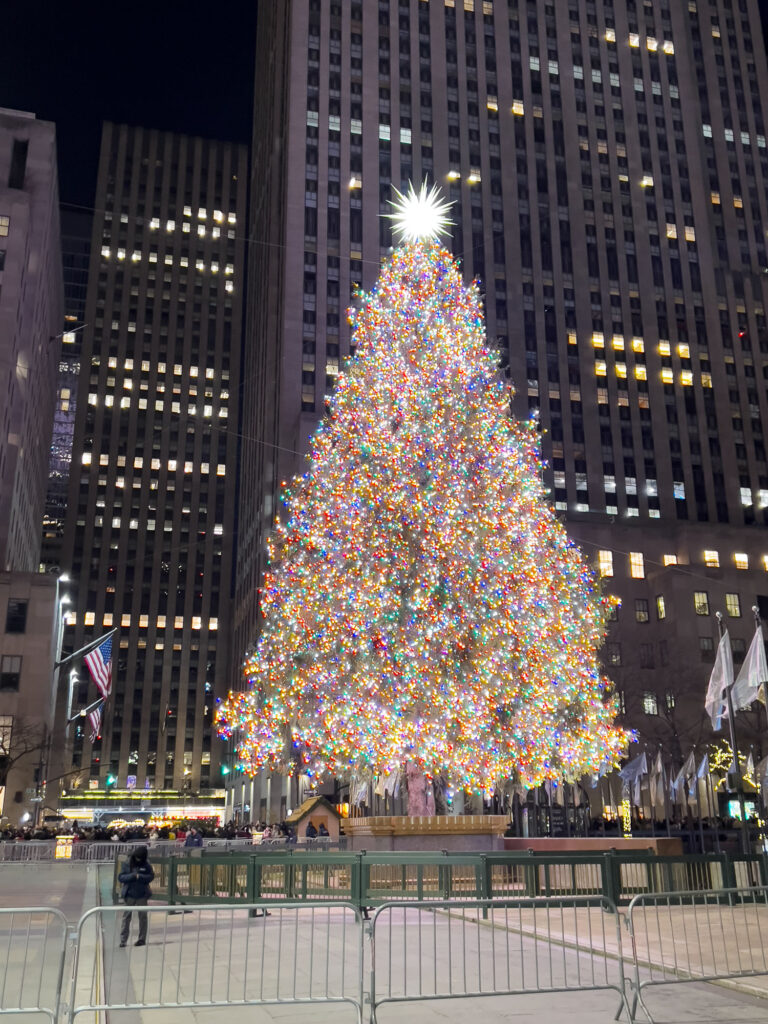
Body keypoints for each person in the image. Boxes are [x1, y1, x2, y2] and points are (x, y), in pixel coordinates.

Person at [118, 846, 154, 947]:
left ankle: (141, 939)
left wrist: (140, 877)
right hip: (129, 893)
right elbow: (121, 877)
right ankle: (123, 940)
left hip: (142, 894)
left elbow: (150, 876)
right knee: (126, 917)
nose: (138, 860)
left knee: (143, 917)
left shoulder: (146, 865)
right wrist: (133, 876)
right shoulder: (127, 863)